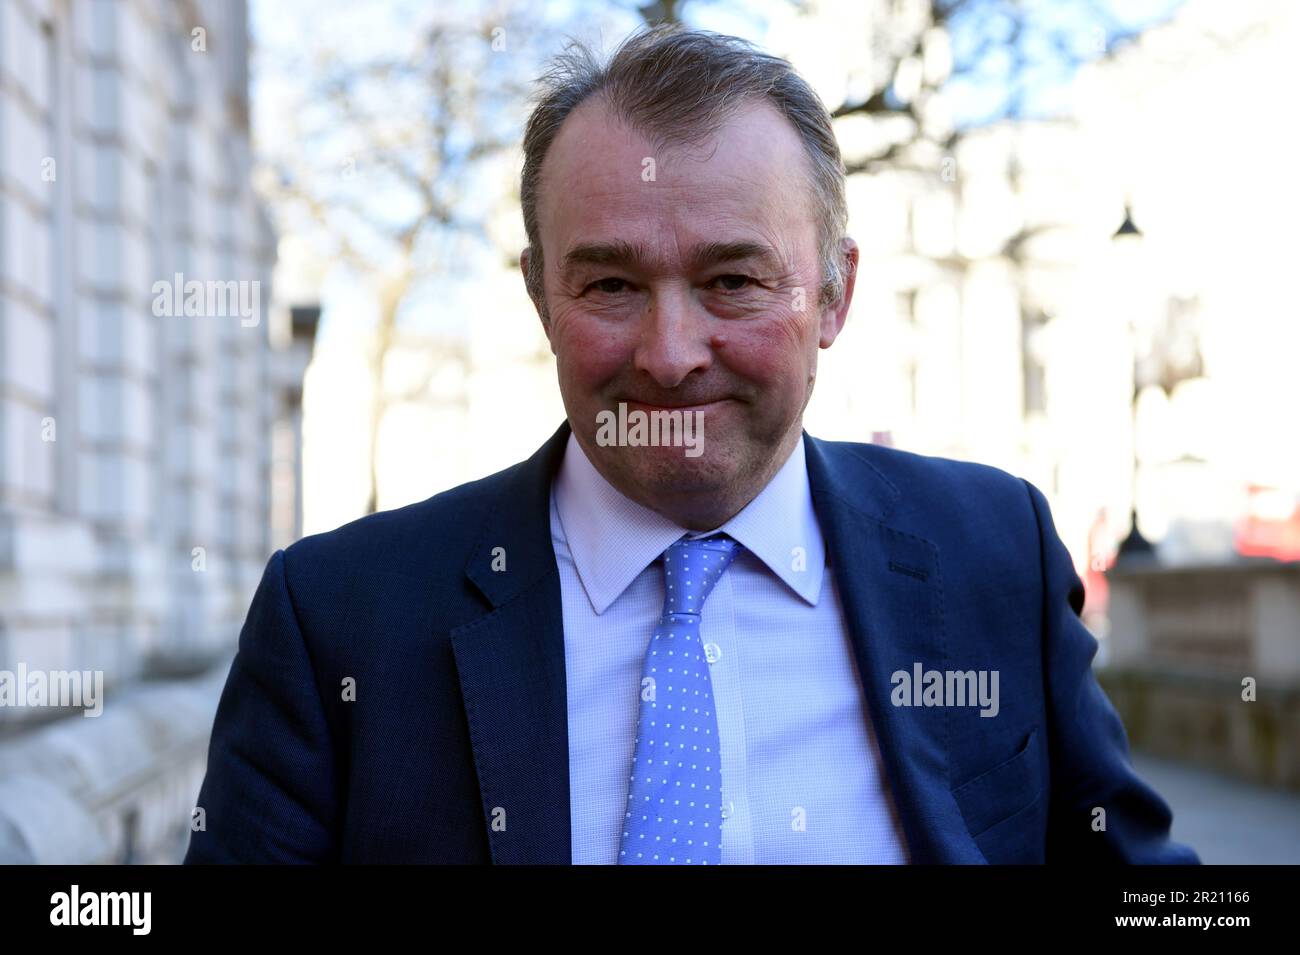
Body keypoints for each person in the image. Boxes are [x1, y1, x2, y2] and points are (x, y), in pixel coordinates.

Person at [185, 24, 1198, 865]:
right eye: (612, 285)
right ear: (540, 294)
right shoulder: (338, 621)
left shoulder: (991, 552)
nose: (670, 356)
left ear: (834, 292)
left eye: (732, 281)